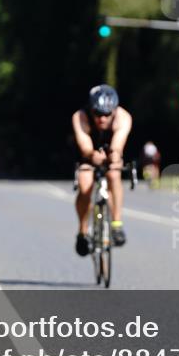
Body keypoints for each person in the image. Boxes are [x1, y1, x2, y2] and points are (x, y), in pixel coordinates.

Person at [72, 84, 132, 256]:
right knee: (85, 186)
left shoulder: (123, 117)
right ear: (91, 110)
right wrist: (92, 155)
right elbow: (84, 145)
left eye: (107, 114)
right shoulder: (80, 116)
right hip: (88, 152)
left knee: (114, 174)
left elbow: (118, 143)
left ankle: (116, 224)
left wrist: (113, 155)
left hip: (110, 150)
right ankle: (83, 232)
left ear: (113, 110)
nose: (102, 118)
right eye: (97, 113)